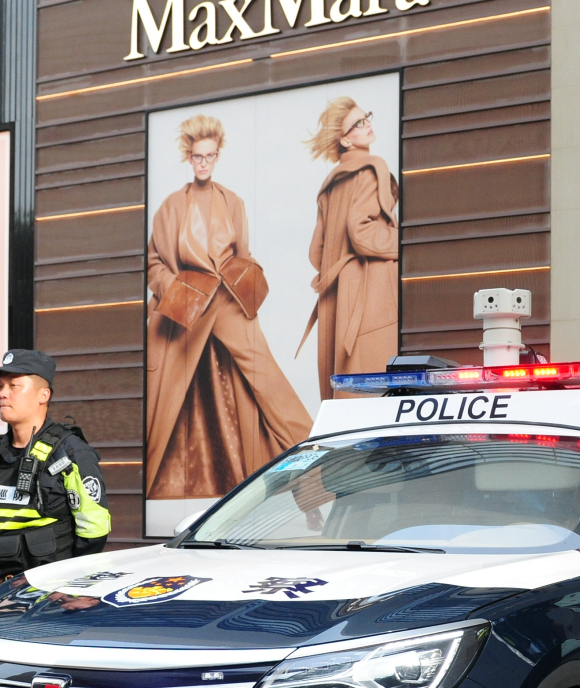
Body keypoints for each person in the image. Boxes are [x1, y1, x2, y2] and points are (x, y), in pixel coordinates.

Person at [145, 114, 312, 501]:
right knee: (164, 397)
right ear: (189, 157)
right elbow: (154, 262)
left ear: (218, 156)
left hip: (227, 300)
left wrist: (248, 278)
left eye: (210, 156)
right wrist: (175, 288)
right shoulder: (170, 207)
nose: (204, 163)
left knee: (267, 380)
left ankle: (315, 454)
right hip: (188, 305)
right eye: (198, 157)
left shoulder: (232, 201)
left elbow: (244, 253)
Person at [0, 349, 111, 587]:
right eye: (0, 387)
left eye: (14, 386)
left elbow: (94, 531)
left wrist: (72, 590)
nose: (3, 394)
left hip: (49, 595)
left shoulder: (70, 452)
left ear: (43, 395)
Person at [303, 97, 400, 388]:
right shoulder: (372, 168)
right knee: (379, 390)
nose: (367, 124)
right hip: (370, 294)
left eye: (366, 117)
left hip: (337, 300)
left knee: (347, 393)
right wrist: (405, 242)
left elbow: (315, 252)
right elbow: (361, 233)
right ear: (345, 140)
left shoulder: (331, 183)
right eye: (358, 124)